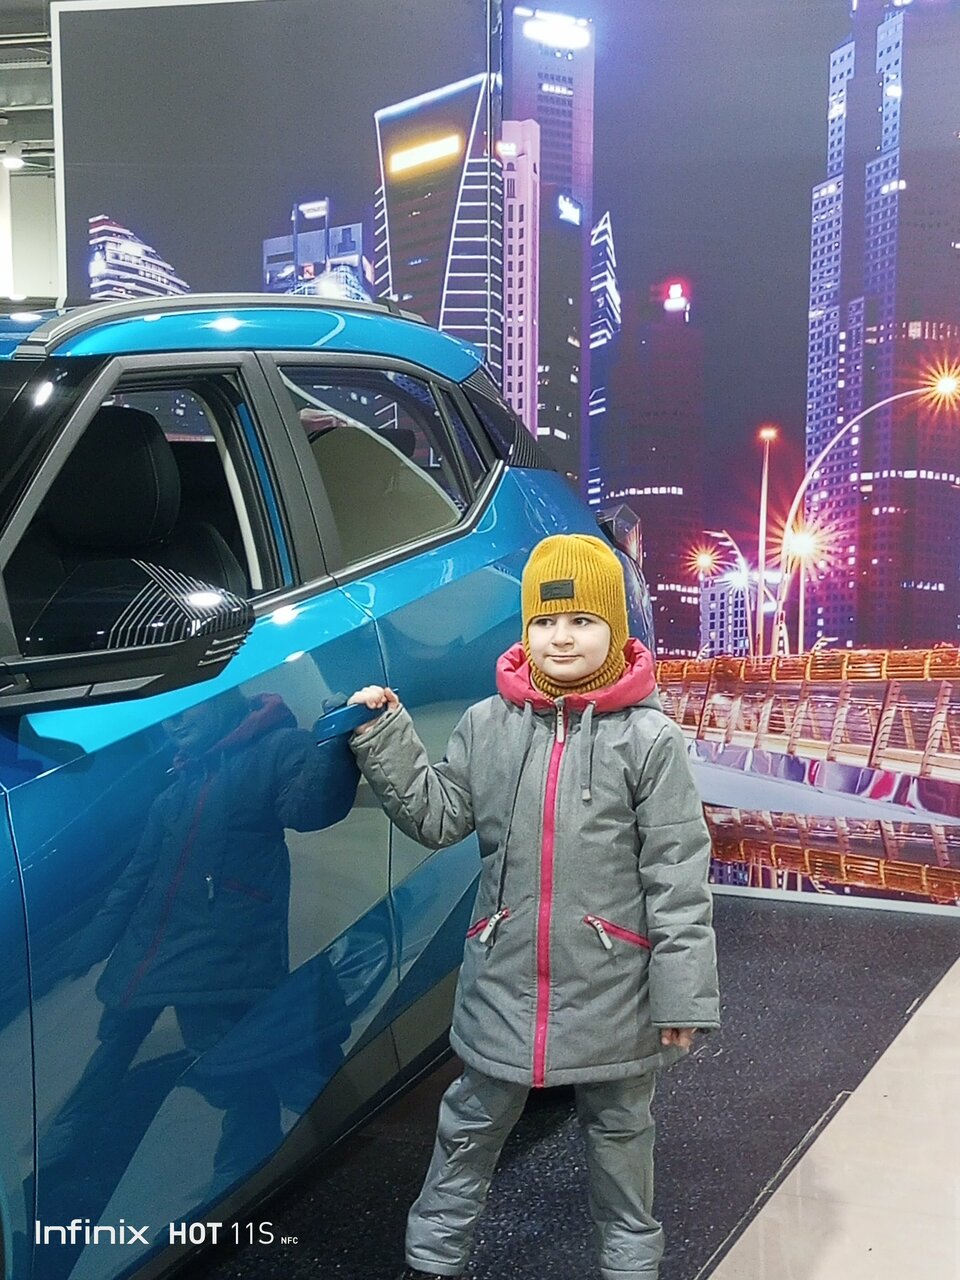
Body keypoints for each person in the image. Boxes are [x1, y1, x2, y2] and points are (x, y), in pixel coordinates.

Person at [347, 533, 720, 1280]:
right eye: (545, 621)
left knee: (621, 1131)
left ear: (615, 628)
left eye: (582, 620)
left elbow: (677, 875)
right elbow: (439, 816)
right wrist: (386, 737)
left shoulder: (649, 739)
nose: (561, 637)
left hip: (615, 983)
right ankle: (433, 1255)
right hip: (506, 973)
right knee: (469, 1121)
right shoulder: (487, 724)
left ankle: (631, 1260)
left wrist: (682, 995)